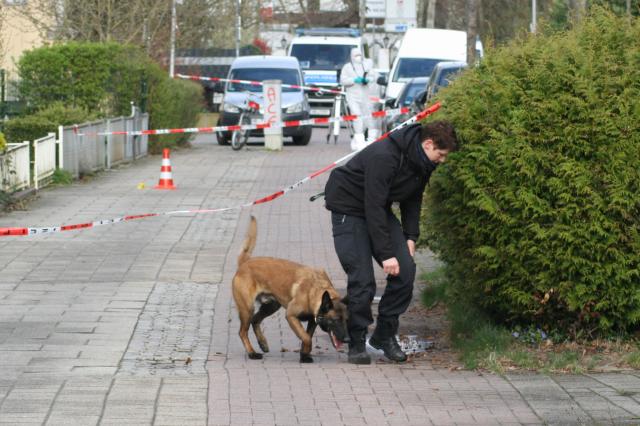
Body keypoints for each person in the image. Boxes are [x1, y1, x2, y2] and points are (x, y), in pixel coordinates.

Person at [324, 120, 458, 364]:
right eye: (441, 154)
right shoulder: (385, 156)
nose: (442, 160)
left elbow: (413, 198)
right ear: (428, 144)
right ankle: (356, 341)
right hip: (349, 207)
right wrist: (386, 254)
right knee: (363, 280)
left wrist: (410, 237)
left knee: (406, 271)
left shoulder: (423, 161)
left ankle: (384, 335)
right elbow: (373, 206)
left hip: (375, 209)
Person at [340, 48, 378, 151]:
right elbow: (342, 80)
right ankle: (359, 140)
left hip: (365, 96)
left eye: (359, 55)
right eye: (356, 55)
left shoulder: (366, 65)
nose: (358, 57)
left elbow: (373, 75)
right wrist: (354, 80)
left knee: (369, 118)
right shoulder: (347, 67)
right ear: (352, 56)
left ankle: (371, 140)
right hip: (353, 96)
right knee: (357, 117)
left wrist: (368, 79)